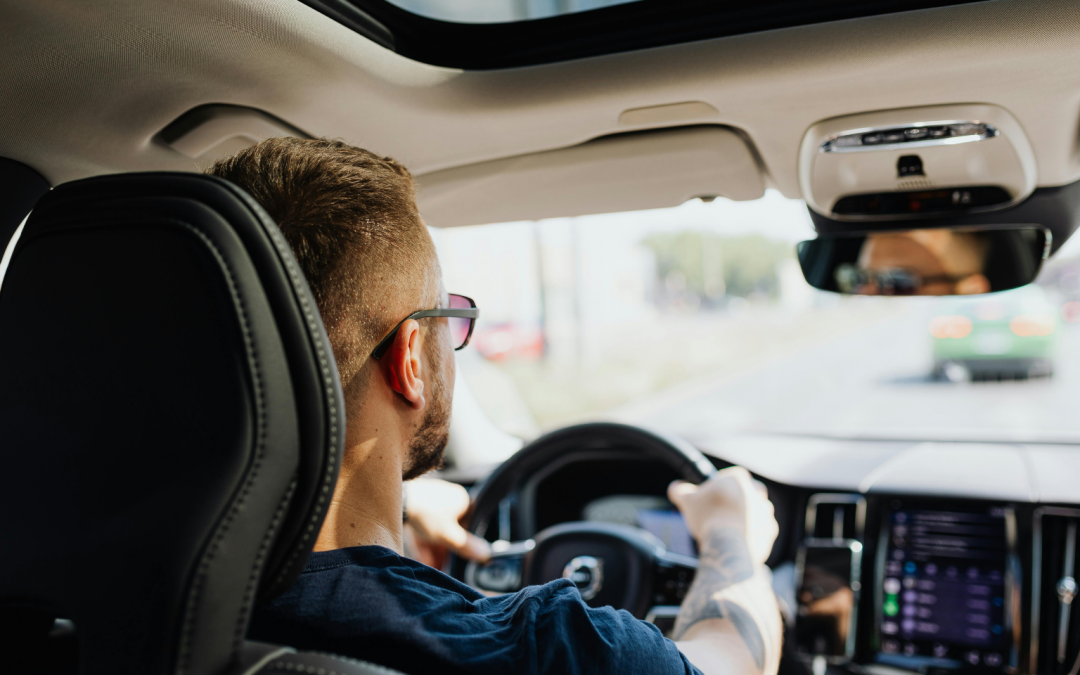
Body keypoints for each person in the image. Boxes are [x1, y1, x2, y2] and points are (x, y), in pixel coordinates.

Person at [208, 138, 782, 675]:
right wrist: (731, 537)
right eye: (447, 318)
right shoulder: (546, 649)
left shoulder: (138, 593)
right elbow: (734, 657)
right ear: (410, 359)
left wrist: (395, 514)